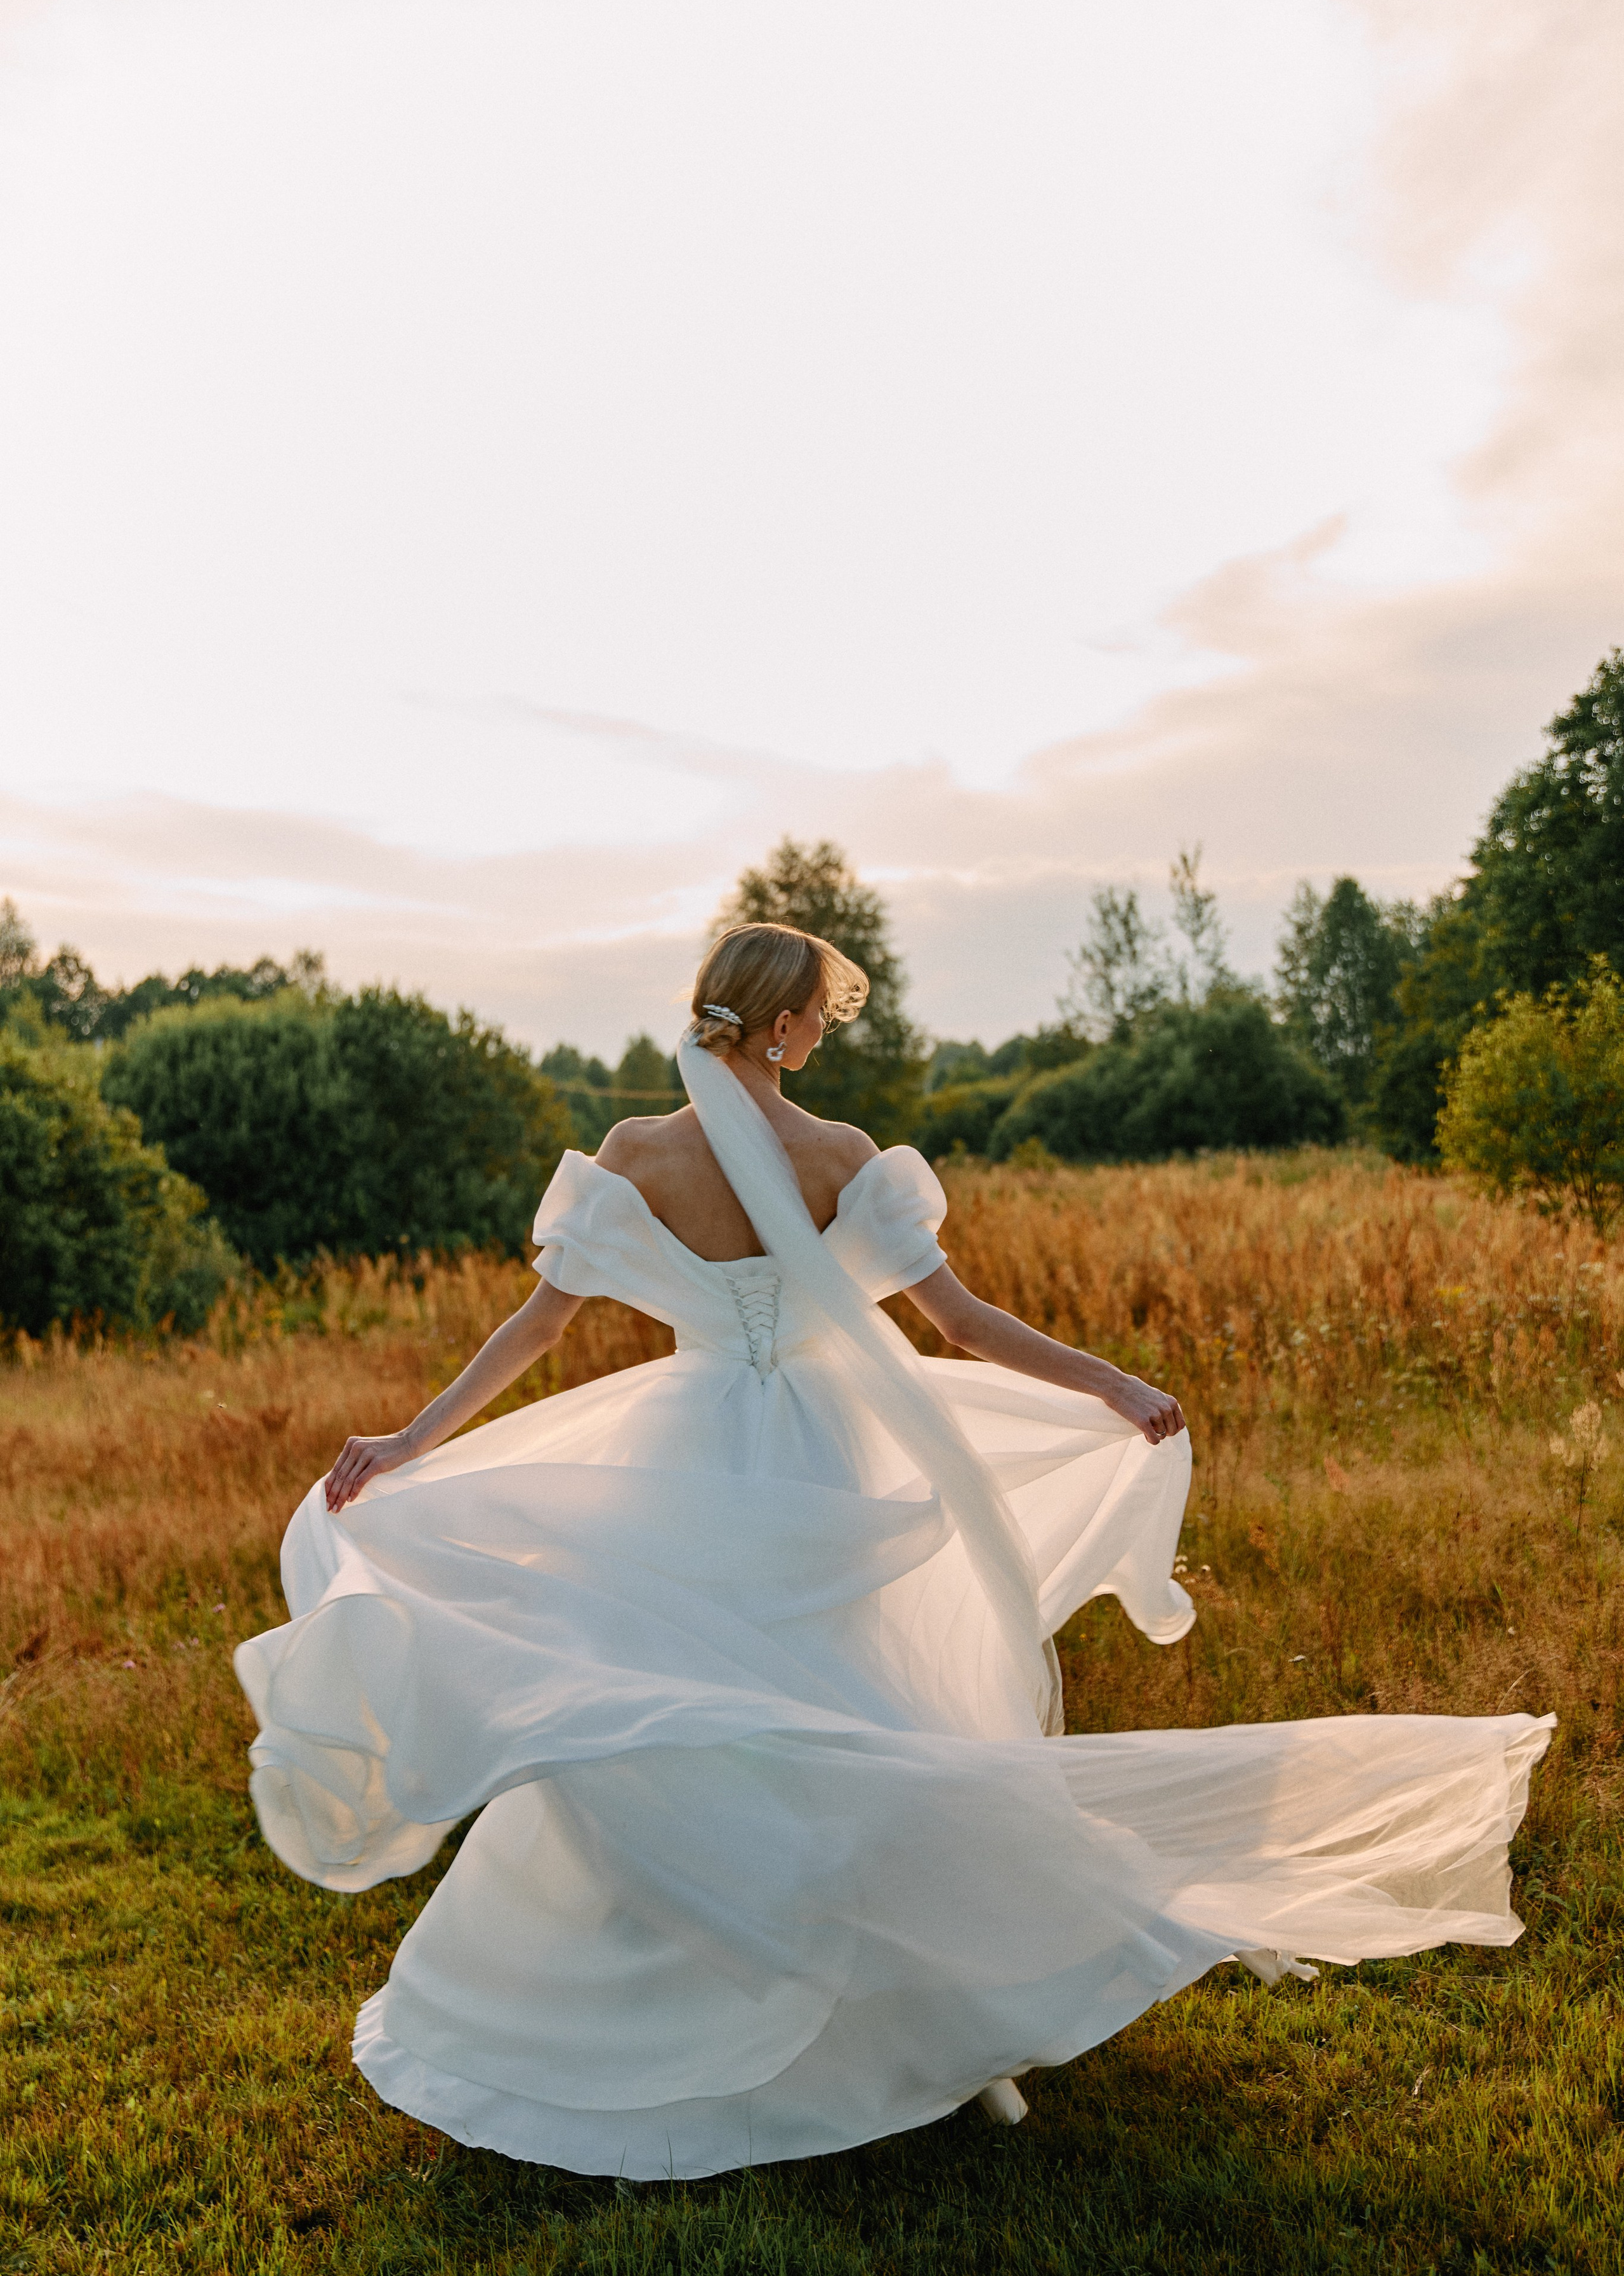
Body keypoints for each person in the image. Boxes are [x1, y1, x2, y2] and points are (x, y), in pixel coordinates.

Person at [236, 922, 1550, 2178]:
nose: (820, 1035)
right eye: (816, 1014)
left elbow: (534, 1328)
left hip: (684, 1462)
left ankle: (702, 1983)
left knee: (691, 1724)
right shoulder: (843, 1153)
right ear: (788, 1023)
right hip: (823, 1456)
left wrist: (411, 1440)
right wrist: (1111, 1383)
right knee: (848, 1705)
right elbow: (961, 1323)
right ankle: (885, 2000)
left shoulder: (635, 1151)